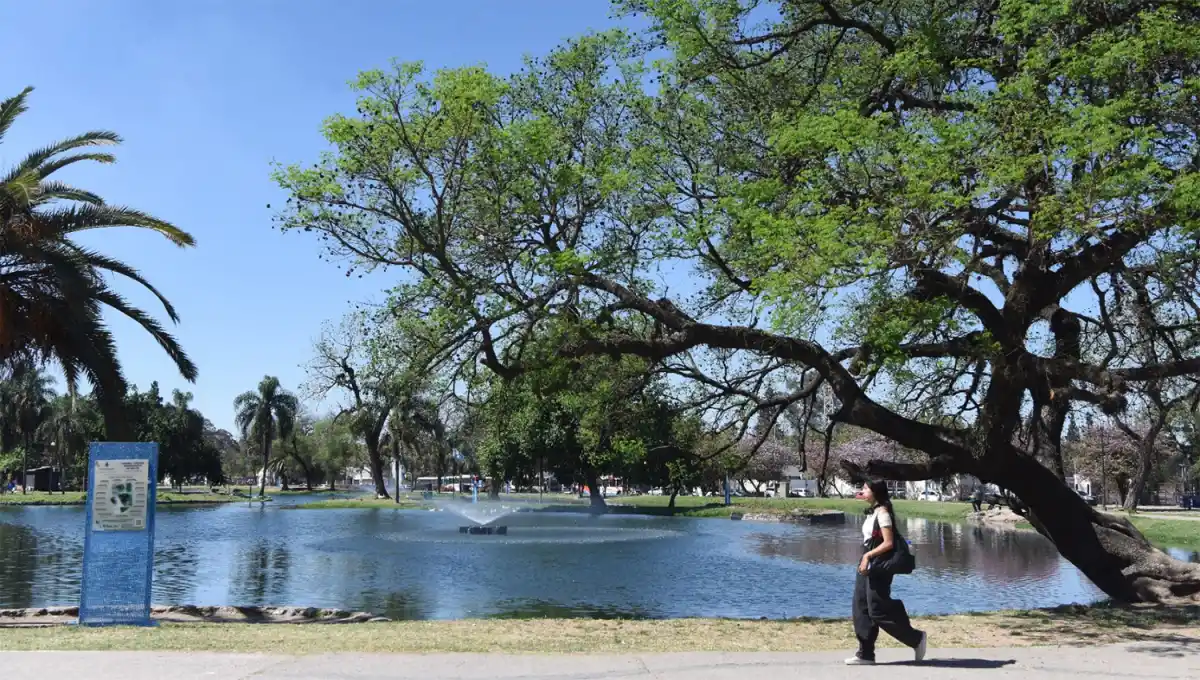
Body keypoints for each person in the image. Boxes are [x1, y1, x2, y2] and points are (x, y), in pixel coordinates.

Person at [846, 479, 928, 666]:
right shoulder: (874, 512)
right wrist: (865, 559)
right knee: (861, 607)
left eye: (866, 488)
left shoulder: (883, 513)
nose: (862, 491)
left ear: (875, 492)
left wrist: (868, 556)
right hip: (867, 563)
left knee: (877, 609)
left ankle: (915, 638)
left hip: (879, 565)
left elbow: (888, 543)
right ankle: (865, 654)